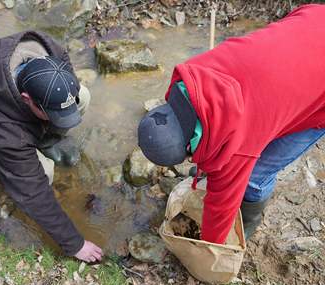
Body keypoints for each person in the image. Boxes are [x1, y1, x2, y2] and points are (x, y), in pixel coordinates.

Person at [138, 4, 325, 244]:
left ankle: (249, 221)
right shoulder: (194, 72)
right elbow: (210, 128)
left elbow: (220, 209)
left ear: (188, 150)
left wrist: (210, 248)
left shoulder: (238, 148)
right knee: (265, 124)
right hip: (312, 18)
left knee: (256, 173)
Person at [0, 30, 103, 262]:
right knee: (44, 173)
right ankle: (31, 156)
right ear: (26, 98)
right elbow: (33, 193)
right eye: (50, 113)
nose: (58, 117)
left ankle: (44, 144)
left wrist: (64, 97)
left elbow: (65, 65)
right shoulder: (1, 132)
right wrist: (74, 244)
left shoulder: (43, 48)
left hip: (14, 106)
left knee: (83, 96)